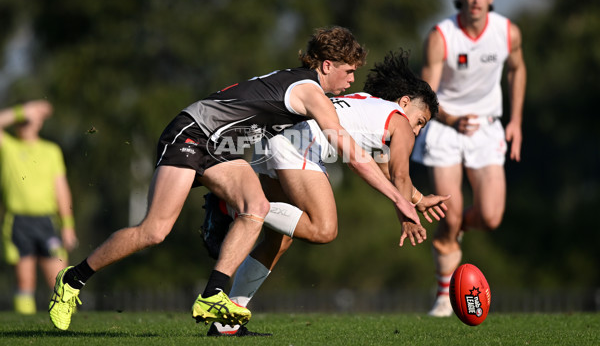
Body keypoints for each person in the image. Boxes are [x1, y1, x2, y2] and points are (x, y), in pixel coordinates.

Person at [48, 26, 426, 331]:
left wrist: (410, 196)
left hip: (222, 151)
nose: (352, 79)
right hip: (191, 133)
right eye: (348, 71)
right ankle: (72, 280)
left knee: (257, 207)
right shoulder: (312, 93)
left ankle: (213, 293)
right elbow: (355, 156)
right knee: (154, 231)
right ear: (327, 66)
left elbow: (364, 155)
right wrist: (398, 199)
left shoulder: (308, 87)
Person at [202, 49, 450, 336]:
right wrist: (405, 215)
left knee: (278, 241)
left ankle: (226, 322)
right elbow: (400, 175)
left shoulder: (369, 104)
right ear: (405, 102)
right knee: (323, 229)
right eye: (420, 121)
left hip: (277, 138)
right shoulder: (400, 123)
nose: (417, 131)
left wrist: (418, 200)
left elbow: (386, 173)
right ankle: (233, 206)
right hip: (301, 146)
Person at [412, 0, 527, 317]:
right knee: (450, 212)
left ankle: (455, 231)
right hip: (446, 127)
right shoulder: (441, 35)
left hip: (487, 128)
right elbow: (425, 90)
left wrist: (516, 122)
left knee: (491, 217)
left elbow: (517, 69)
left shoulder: (507, 33)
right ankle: (445, 295)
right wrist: (448, 118)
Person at [0, 100, 78, 314]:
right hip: (18, 222)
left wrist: (68, 225)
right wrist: (20, 111)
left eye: (30, 120)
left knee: (62, 281)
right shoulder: (9, 147)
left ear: (40, 123)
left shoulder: (51, 151)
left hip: (46, 221)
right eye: (22, 121)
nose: (26, 123)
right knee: (25, 282)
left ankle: (68, 326)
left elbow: (62, 190)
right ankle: (26, 333)